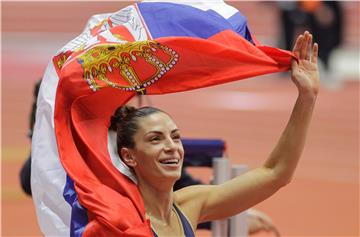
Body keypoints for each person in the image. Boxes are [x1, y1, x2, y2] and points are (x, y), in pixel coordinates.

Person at [109, 31, 319, 236]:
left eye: (175, 137)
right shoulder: (119, 222)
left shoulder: (189, 204)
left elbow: (275, 173)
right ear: (129, 156)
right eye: (155, 139)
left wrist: (307, 97)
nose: (172, 146)